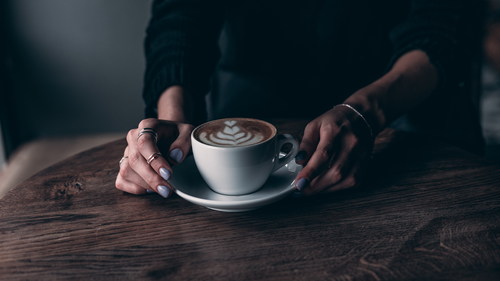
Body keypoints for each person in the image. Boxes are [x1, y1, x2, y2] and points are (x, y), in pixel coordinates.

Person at [116, 0, 485, 198]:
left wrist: (369, 109)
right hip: (256, 78)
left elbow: (445, 21)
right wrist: (173, 122)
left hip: (399, 86)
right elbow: (179, 15)